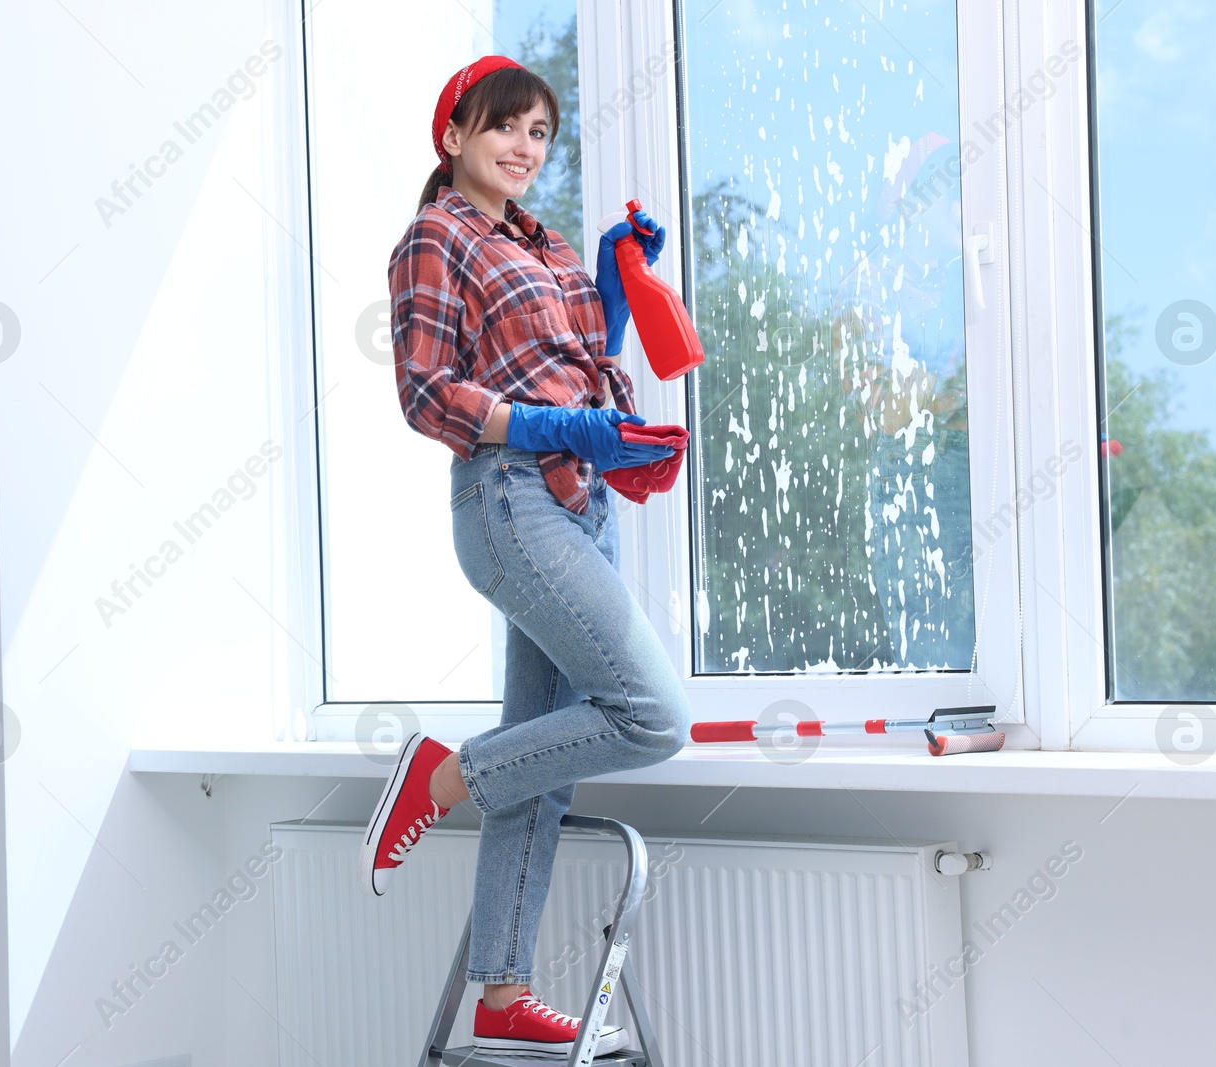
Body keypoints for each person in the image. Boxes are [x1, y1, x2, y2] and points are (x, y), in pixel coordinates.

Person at [359, 55, 691, 1059]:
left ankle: (500, 987)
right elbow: (426, 392)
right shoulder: (435, 235)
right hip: (510, 500)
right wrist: (556, 429)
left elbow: (578, 358)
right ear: (454, 134)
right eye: (503, 125)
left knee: (541, 758)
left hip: (580, 504)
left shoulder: (539, 243)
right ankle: (441, 776)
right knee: (650, 715)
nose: (523, 146)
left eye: (540, 132)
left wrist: (609, 280)